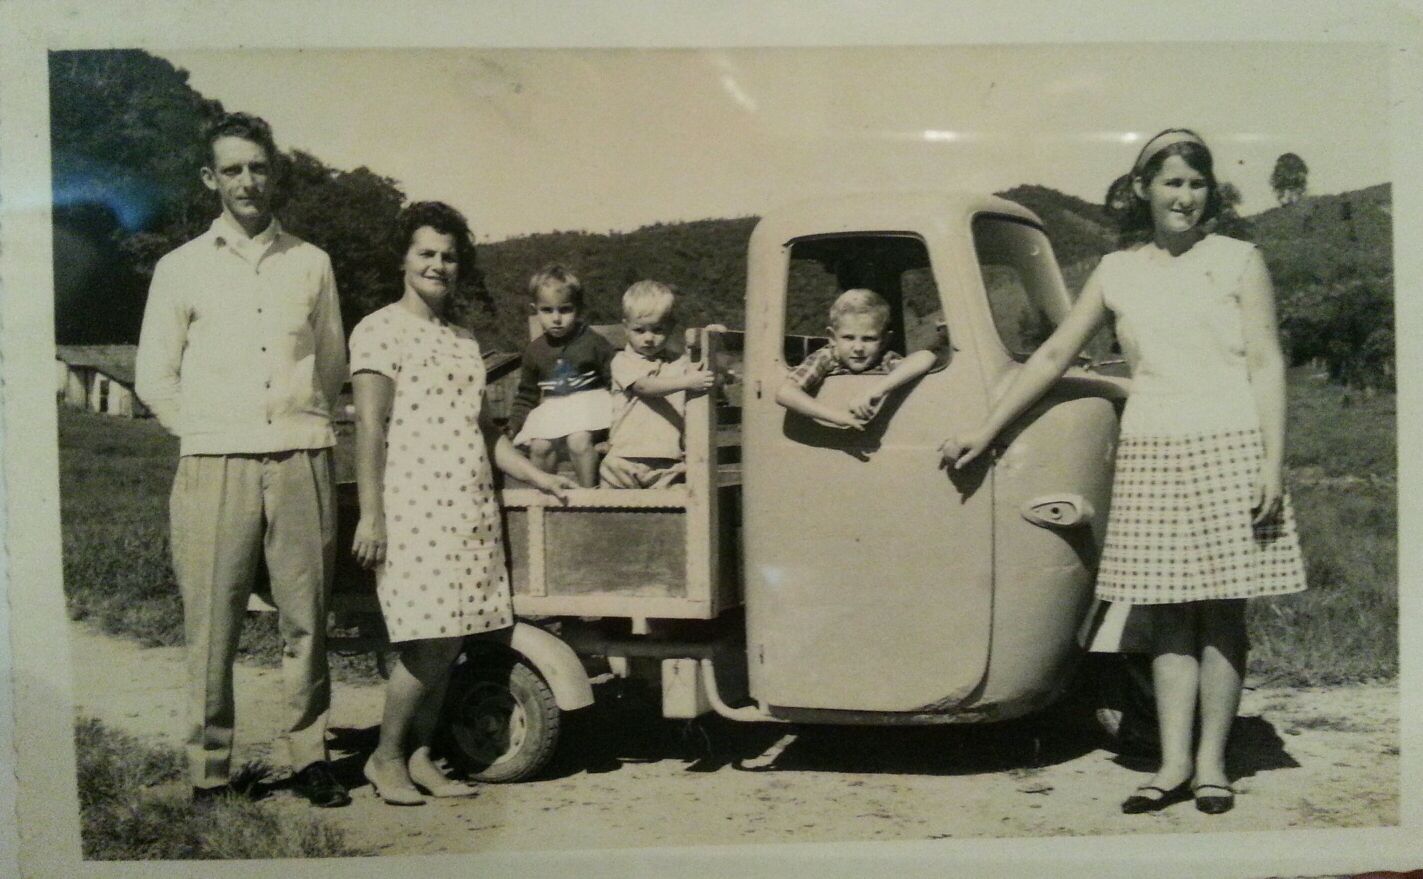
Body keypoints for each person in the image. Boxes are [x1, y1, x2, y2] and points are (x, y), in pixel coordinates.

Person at [940, 129, 1307, 816]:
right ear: (1142, 189)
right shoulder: (1116, 270)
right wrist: (986, 429)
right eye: (1171, 183)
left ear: (1210, 192)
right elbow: (1052, 357)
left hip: (1230, 445)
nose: (1184, 197)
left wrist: (1272, 463)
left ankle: (1211, 765)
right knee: (1165, 616)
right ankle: (1171, 764)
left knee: (1221, 615)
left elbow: (1265, 363)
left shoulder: (1239, 260)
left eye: (1195, 184)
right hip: (1152, 449)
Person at [134, 112, 350, 807]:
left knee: (306, 617)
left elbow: (332, 361)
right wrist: (201, 430)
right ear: (211, 178)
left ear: (274, 172)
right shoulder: (180, 268)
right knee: (212, 620)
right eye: (232, 169)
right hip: (214, 461)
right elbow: (153, 375)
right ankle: (210, 770)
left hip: (300, 457)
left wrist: (299, 420)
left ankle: (310, 755)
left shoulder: (312, 262)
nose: (247, 181)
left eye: (258, 167)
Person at [348, 201, 575, 806]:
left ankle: (422, 756)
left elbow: (485, 432)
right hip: (412, 509)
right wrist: (371, 516)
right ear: (403, 259)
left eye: (449, 256)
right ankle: (385, 756)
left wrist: (537, 476)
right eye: (426, 253)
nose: (438, 265)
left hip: (468, 510)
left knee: (453, 642)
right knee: (426, 642)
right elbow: (369, 428)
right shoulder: (377, 329)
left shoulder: (463, 339)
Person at [599, 280, 717, 488]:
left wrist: (712, 337)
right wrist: (687, 382)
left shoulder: (678, 363)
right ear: (626, 327)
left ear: (670, 327)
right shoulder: (623, 362)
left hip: (668, 461)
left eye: (657, 330)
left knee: (674, 504)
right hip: (624, 459)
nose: (648, 338)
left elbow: (703, 367)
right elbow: (644, 387)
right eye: (639, 330)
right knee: (614, 506)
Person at [506, 264, 615, 486]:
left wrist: (615, 430)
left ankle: (589, 497)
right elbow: (526, 395)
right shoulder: (535, 351)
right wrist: (513, 426)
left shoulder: (594, 343)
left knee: (578, 440)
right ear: (535, 309)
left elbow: (615, 383)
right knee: (540, 446)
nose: (556, 319)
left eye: (565, 310)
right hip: (554, 411)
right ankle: (545, 497)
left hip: (590, 411)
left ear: (578, 309)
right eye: (547, 310)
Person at [775, 288, 937, 429]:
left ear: (884, 341)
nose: (858, 348)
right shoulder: (826, 357)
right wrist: (837, 417)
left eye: (869, 339)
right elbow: (786, 392)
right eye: (848, 337)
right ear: (832, 337)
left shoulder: (884, 359)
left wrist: (876, 391)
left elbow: (926, 357)